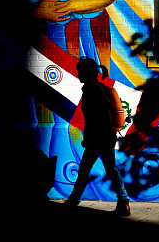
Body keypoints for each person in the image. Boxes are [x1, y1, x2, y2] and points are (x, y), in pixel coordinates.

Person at [65, 58, 130, 216]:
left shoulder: (90, 91)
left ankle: (73, 200)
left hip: (97, 137)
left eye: (80, 71)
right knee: (110, 169)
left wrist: (88, 137)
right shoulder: (100, 89)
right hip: (107, 135)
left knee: (85, 169)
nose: (78, 74)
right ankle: (123, 201)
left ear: (88, 73)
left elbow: (93, 118)